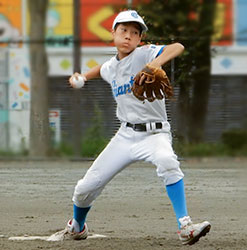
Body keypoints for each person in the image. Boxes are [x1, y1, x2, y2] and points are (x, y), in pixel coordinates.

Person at [49, 10, 211, 245]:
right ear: (113, 33)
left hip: (155, 134)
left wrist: (154, 65)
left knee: (167, 161)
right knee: (85, 188)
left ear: (140, 40)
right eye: (123, 30)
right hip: (125, 136)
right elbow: (102, 70)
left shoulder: (144, 54)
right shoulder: (111, 67)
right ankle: (77, 227)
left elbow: (177, 46)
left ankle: (185, 226)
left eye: (135, 33)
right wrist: (83, 77)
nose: (128, 36)